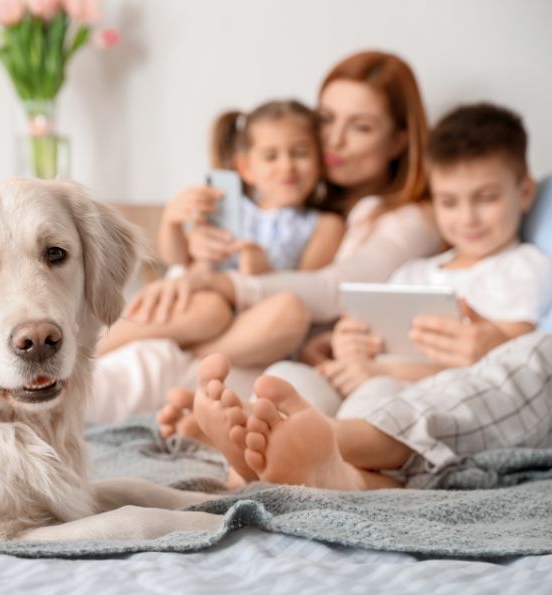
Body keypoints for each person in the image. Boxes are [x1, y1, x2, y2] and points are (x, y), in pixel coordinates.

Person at [185, 102, 552, 490]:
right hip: (362, 380)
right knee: (287, 377)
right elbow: (362, 331)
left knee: (380, 394)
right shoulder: (413, 271)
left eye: (486, 198)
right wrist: (345, 343)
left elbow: (505, 371)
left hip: (412, 395)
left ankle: (319, 458)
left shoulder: (524, 267)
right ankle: (255, 463)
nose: (467, 218)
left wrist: (378, 372)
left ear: (525, 193)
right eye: (449, 202)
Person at [91, 50, 443, 423]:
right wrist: (186, 243)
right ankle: (101, 350)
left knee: (184, 351)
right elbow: (191, 256)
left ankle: (167, 359)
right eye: (326, 119)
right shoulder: (293, 200)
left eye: (361, 127)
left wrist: (217, 281)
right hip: (218, 328)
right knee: (165, 343)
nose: (334, 141)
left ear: (399, 140)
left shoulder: (409, 220)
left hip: (268, 347)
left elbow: (329, 289)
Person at [97, 99, 345, 357]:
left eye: (300, 153)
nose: (287, 166)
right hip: (204, 309)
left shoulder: (325, 225)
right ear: (246, 168)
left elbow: (309, 290)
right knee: (210, 310)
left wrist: (266, 271)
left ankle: (193, 357)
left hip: (255, 322)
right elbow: (178, 259)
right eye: (271, 156)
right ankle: (97, 349)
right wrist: (172, 222)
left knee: (287, 310)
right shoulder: (226, 205)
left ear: (320, 160)